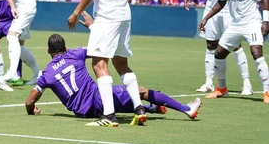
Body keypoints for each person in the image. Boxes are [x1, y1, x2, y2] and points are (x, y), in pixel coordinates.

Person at [67, 0, 148, 127]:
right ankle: (139, 109)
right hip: (124, 15)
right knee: (121, 64)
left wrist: (77, 12)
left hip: (107, 16)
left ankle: (109, 115)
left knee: (99, 64)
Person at [25, 32, 201, 120]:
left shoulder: (46, 74)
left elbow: (29, 102)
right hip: (97, 97)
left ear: (48, 51)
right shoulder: (76, 54)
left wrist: (32, 110)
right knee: (138, 91)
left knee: (115, 103)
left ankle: (151, 108)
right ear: (65, 48)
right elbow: (98, 48)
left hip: (84, 112)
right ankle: (187, 109)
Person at [199, 0, 269, 103]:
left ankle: (267, 91)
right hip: (235, 24)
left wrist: (266, 21)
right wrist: (206, 18)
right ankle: (222, 89)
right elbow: (221, 3)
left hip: (252, 23)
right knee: (219, 53)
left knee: (256, 52)